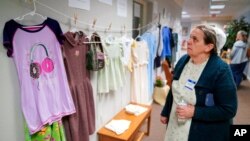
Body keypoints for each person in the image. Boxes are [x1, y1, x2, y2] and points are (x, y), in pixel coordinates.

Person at [160, 25, 237, 141]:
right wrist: (165, 111)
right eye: (190, 37)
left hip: (201, 131)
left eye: (195, 39)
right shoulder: (183, 60)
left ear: (209, 47)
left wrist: (195, 112)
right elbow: (174, 90)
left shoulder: (221, 70)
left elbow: (229, 109)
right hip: (176, 124)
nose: (189, 42)